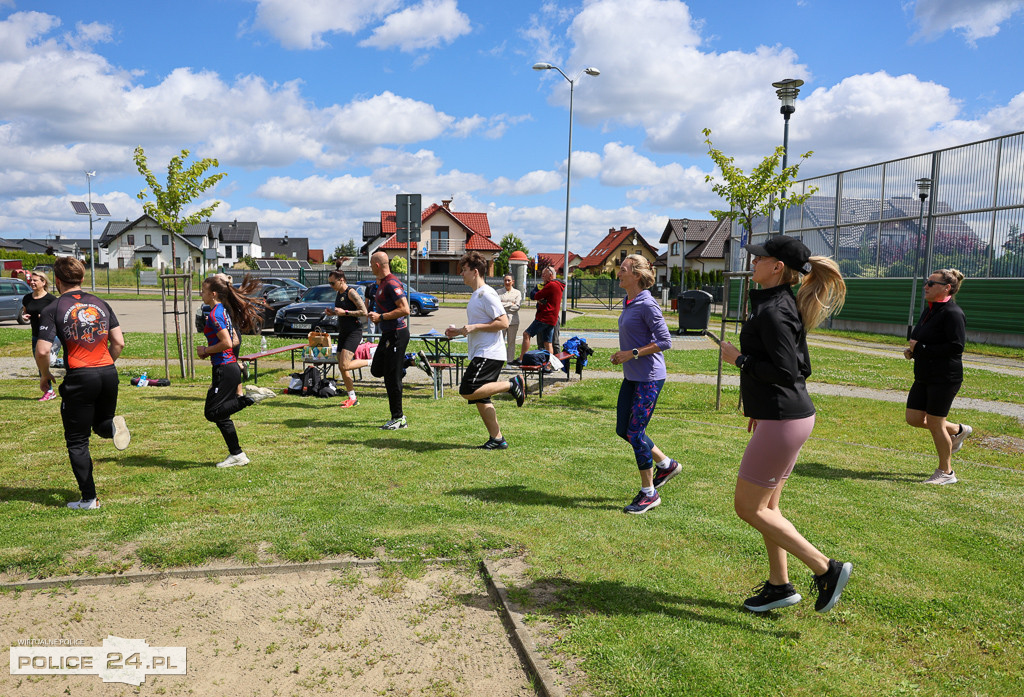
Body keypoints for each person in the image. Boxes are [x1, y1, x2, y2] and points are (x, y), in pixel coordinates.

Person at [719, 235, 852, 614]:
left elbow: (787, 371)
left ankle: (827, 568)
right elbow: (802, 368)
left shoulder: (775, 310)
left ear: (777, 267)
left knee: (749, 508)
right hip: (782, 417)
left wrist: (739, 360)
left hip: (785, 419)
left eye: (760, 258)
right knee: (769, 508)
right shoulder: (779, 304)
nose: (754, 263)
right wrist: (759, 408)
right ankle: (780, 586)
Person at [34, 257, 130, 510]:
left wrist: (44, 375)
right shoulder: (101, 303)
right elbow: (118, 342)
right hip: (108, 373)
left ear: (56, 280)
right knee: (100, 426)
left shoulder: (53, 308)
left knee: (77, 441)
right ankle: (115, 427)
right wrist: (108, 362)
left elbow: (43, 351)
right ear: (82, 278)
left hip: (80, 375)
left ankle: (89, 499)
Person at [609, 255, 680, 513]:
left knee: (635, 433)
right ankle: (666, 464)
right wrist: (624, 354)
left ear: (636, 275)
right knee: (623, 429)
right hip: (632, 376)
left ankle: (649, 493)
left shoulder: (648, 303)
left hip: (649, 378)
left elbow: (665, 341)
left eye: (623, 270)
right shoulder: (629, 301)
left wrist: (632, 353)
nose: (619, 273)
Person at [446, 252, 526, 449]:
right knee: (481, 398)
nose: (461, 274)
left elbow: (503, 322)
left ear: (475, 272)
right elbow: (479, 324)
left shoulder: (487, 293)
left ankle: (512, 384)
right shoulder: (477, 295)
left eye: (463, 270)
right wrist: (458, 331)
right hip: (483, 352)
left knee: (467, 390)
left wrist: (474, 328)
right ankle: (497, 439)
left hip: (489, 354)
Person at [197, 275, 277, 468]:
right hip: (229, 367)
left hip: (225, 369)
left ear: (213, 294)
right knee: (220, 415)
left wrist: (206, 351)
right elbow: (235, 341)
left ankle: (249, 398)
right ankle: (237, 455)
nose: (201, 293)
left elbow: (227, 342)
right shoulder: (222, 311)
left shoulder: (216, 314)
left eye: (203, 289)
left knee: (212, 412)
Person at [904, 268, 971, 485]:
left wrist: (921, 348)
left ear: (946, 288)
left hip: (945, 377)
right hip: (924, 374)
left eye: (931, 283)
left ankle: (946, 472)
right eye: (926, 282)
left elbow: (955, 348)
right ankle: (958, 430)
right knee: (913, 418)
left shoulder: (953, 313)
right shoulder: (929, 310)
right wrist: (913, 350)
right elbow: (918, 338)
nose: (926, 286)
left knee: (935, 422)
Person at [367, 251, 412, 430]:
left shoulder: (391, 283)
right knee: (377, 369)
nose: (370, 267)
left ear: (377, 265)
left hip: (396, 334)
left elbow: (405, 309)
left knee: (392, 379)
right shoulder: (382, 283)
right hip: (387, 334)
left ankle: (398, 418)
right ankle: (409, 360)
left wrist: (381, 317)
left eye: (371, 263)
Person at [325, 271, 370, 408]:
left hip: (354, 332)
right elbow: (343, 312)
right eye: (330, 283)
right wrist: (333, 312)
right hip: (343, 332)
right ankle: (352, 397)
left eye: (333, 283)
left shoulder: (351, 293)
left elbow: (364, 312)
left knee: (344, 365)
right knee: (342, 366)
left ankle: (371, 362)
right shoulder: (339, 293)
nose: (331, 285)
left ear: (342, 280)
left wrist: (344, 313)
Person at [20, 270, 60, 401]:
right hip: (36, 335)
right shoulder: (27, 298)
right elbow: (26, 314)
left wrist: (45, 317)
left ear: (43, 282)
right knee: (41, 365)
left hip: (51, 336)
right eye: (31, 280)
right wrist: (25, 317)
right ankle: (49, 391)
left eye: (35, 280)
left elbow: (58, 318)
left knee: (49, 362)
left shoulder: (51, 300)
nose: (32, 282)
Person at [517, 266, 564, 361]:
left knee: (526, 334)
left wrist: (539, 297)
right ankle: (548, 364)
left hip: (544, 317)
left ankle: (522, 359)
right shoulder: (558, 285)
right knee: (548, 342)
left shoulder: (551, 285)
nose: (542, 276)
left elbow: (536, 295)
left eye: (545, 274)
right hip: (552, 318)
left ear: (550, 275)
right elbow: (535, 295)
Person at [498, 274, 523, 363]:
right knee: (499, 342)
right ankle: (499, 361)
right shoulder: (498, 292)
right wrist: (510, 303)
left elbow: (517, 307)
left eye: (509, 280)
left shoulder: (517, 293)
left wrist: (504, 304)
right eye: (505, 280)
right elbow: (497, 306)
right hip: (501, 320)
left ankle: (509, 361)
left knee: (511, 342)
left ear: (513, 282)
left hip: (513, 321)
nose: (507, 282)